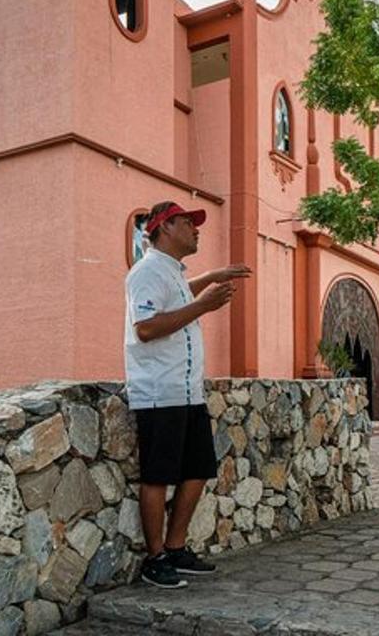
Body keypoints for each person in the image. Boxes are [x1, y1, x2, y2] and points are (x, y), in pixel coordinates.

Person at [124, 200, 251, 589]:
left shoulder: (172, 273)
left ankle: (176, 548)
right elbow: (145, 327)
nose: (196, 230)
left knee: (198, 470)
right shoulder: (145, 272)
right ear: (164, 227)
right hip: (160, 390)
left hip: (186, 389)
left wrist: (208, 279)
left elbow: (178, 295)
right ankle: (155, 558)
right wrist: (202, 306)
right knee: (158, 476)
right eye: (187, 223)